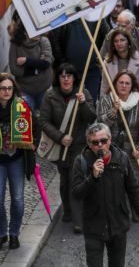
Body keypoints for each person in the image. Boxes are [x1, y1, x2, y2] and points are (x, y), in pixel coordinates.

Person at [71, 123, 139, 266]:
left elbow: (134, 191)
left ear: (110, 140)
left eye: (103, 141)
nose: (100, 145)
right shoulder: (82, 162)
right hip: (93, 227)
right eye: (95, 142)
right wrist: (93, 177)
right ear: (89, 144)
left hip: (118, 225)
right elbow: (76, 194)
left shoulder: (121, 158)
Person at [39, 63, 95, 234]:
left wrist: (83, 103)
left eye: (69, 75)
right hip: (61, 145)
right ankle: (68, 211)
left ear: (74, 78)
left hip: (78, 145)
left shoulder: (82, 93)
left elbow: (92, 117)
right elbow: (44, 121)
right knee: (64, 181)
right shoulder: (50, 95)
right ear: (58, 79)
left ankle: (78, 220)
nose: (66, 79)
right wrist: (60, 137)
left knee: (74, 179)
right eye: (62, 76)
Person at [0, 73, 34, 248]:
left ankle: (14, 233)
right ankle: (1, 232)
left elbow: (34, 125)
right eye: (3, 88)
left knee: (18, 199)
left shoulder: (21, 105)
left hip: (16, 159)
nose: (6, 91)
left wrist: (31, 143)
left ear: (13, 89)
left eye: (9, 88)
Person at [97, 71, 139, 175]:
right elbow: (100, 125)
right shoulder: (106, 100)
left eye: (127, 83)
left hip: (132, 151)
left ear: (132, 86)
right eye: (121, 82)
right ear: (115, 84)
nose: (124, 86)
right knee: (111, 181)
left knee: (133, 181)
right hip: (110, 150)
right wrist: (113, 110)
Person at [100, 27, 139, 106]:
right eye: (116, 41)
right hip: (114, 106)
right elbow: (104, 87)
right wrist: (105, 105)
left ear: (129, 42)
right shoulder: (107, 62)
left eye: (122, 40)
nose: (119, 43)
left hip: (137, 106)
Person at [7, 16, 53, 110]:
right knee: (26, 118)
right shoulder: (15, 44)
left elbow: (46, 63)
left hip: (44, 88)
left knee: (43, 117)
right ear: (25, 31)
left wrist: (26, 61)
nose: (37, 33)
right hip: (24, 90)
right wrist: (36, 70)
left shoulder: (44, 41)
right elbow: (14, 69)